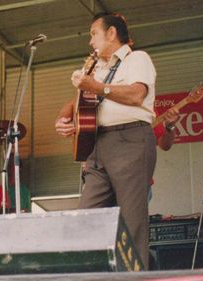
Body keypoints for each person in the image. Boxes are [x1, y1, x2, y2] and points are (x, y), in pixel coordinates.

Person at [55, 12, 156, 269]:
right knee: (86, 218)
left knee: (133, 221)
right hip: (97, 145)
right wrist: (64, 119)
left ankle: (136, 275)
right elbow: (76, 102)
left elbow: (136, 95)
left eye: (93, 34)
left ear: (111, 33)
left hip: (130, 139)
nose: (90, 41)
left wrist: (96, 86)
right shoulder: (98, 68)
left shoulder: (137, 58)